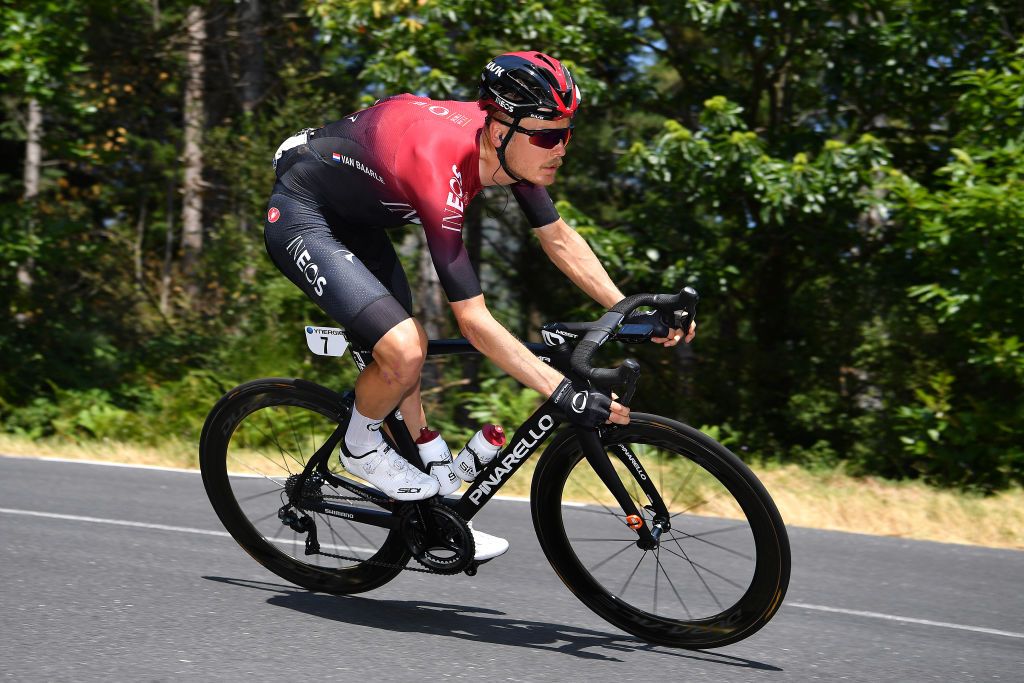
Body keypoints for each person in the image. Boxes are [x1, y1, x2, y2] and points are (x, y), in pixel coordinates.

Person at [263, 51, 695, 561]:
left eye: (567, 133)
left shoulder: (514, 149)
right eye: (548, 136)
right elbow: (472, 320)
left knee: (406, 362)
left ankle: (434, 508)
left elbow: (557, 239)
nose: (560, 148)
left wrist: (631, 310)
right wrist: (562, 392)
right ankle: (360, 446)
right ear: (499, 131)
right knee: (404, 349)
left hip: (359, 220)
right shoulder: (439, 162)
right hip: (303, 212)